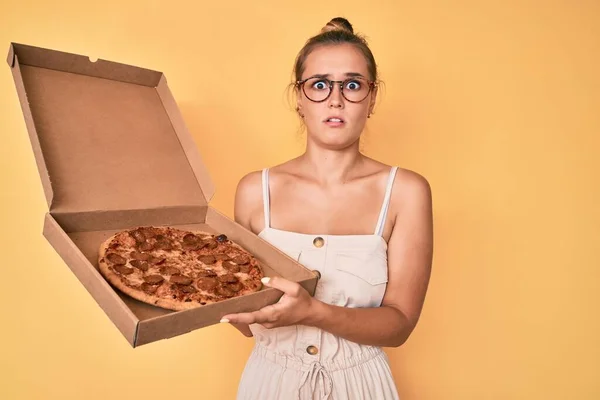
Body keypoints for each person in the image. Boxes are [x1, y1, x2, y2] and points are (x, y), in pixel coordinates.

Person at [220, 17, 434, 400]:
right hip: (270, 384)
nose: (335, 100)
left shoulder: (405, 191)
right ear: (299, 99)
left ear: (371, 98)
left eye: (352, 85)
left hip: (362, 386)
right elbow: (243, 315)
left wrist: (312, 312)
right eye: (319, 85)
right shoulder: (255, 191)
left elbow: (400, 325)